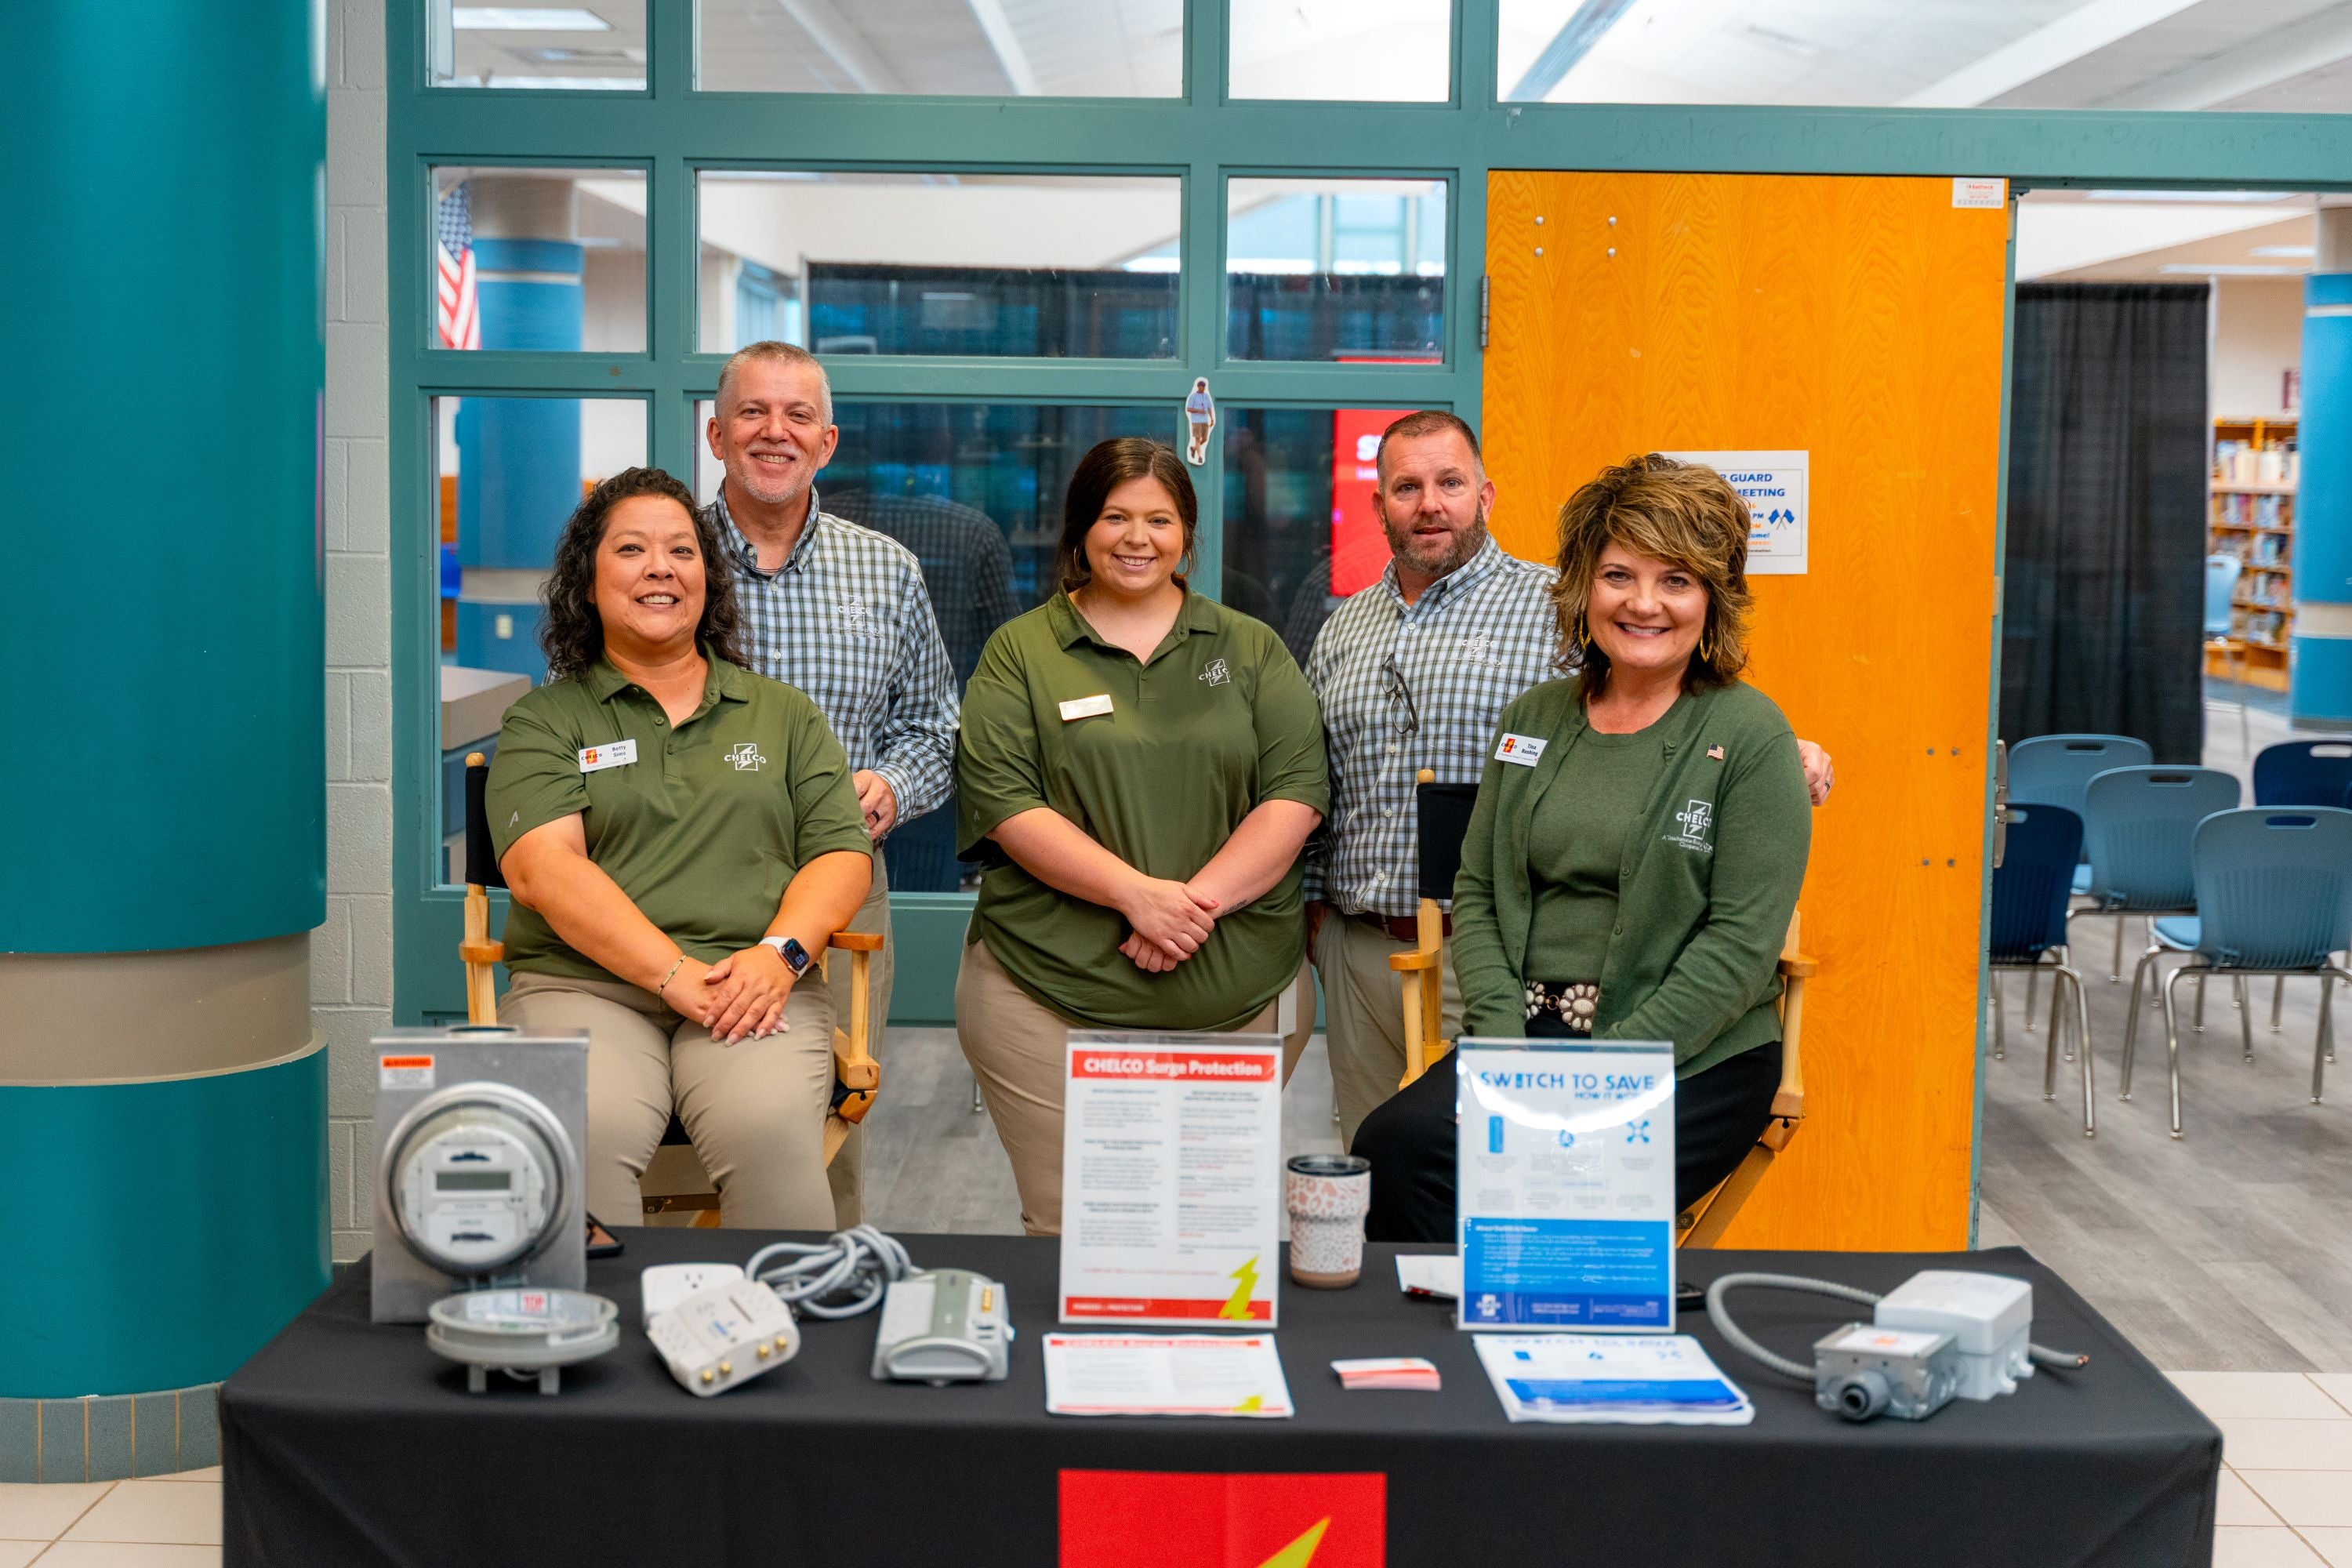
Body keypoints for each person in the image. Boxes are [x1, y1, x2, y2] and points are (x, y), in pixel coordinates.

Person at [1303, 412, 1835, 1145]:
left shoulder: (1548, 606)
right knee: (1381, 1153)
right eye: (1408, 486)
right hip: (1370, 943)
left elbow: (1680, 704)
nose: (1430, 503)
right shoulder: (1346, 628)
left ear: (1484, 494)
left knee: (1496, 1177)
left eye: (1450, 482)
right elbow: (1318, 780)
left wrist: (1781, 752)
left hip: (1491, 962)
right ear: (1380, 505)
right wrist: (1315, 914)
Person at [955, 437, 1327, 1235]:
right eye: (1115, 516)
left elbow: (1295, 792)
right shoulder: (1022, 652)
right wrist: (1136, 897)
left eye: (1159, 518)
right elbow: (1006, 801)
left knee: (1204, 1226)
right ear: (1080, 530)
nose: (1137, 537)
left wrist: (1188, 907)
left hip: (1238, 990)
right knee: (1076, 1229)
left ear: (1187, 533)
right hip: (1046, 991)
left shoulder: (1250, 647)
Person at [488, 466, 874, 1229]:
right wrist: (671, 973)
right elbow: (543, 869)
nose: (661, 566)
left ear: (708, 580)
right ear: (588, 584)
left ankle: (779, 1335)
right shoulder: (546, 720)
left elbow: (840, 853)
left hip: (754, 985)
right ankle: (596, 1339)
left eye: (682, 551)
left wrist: (780, 955)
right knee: (585, 1133)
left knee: (766, 1130)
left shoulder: (784, 714)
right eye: (632, 549)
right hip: (585, 989)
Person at [702, 341, 960, 1225]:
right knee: (684, 1114)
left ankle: (822, 1298)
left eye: (797, 415)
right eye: (753, 412)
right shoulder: (662, 564)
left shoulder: (885, 571)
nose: (775, 432)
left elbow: (935, 724)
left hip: (845, 896)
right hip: (681, 891)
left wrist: (889, 784)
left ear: (828, 441)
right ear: (716, 432)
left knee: (834, 1113)